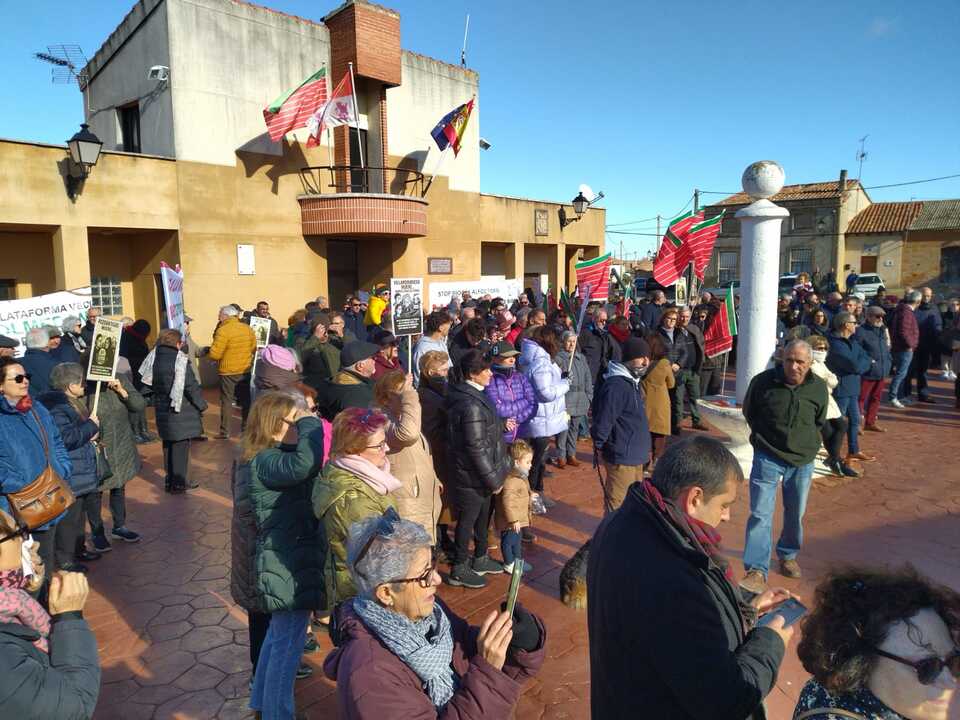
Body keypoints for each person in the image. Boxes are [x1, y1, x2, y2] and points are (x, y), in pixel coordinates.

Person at [588, 436, 793, 720]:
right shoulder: (673, 575)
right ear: (694, 498)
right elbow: (725, 701)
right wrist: (770, 642)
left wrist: (746, 607)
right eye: (724, 504)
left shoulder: (627, 520)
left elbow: (675, 635)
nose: (727, 516)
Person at [324, 510, 546, 718]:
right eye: (423, 576)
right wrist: (488, 674)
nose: (437, 580)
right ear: (386, 593)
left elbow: (463, 646)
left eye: (433, 567)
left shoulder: (427, 613)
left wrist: (520, 642)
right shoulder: (371, 677)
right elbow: (481, 667)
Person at [230, 390, 325, 720]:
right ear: (276, 424)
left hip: (282, 557)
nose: (298, 425)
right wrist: (311, 422)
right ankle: (278, 713)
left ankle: (261, 702)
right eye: (293, 420)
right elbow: (306, 463)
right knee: (288, 646)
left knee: (276, 637)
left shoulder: (260, 455)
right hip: (284, 563)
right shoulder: (267, 460)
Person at [793, 566, 959, 720]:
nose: (950, 682)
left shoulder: (826, 690)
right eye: (928, 668)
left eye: (954, 661)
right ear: (859, 666)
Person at [740, 339, 828, 594]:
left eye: (800, 361)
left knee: (795, 513)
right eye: (789, 359)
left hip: (802, 461)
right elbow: (750, 412)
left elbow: (819, 419)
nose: (793, 366)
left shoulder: (818, 388)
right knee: (760, 513)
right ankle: (756, 570)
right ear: (782, 358)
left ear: (810, 363)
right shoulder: (763, 382)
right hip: (768, 456)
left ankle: (788, 555)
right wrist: (764, 439)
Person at [0, 509, 101, 717]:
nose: (28, 542)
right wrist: (69, 618)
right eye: (18, 532)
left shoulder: (12, 601)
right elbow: (75, 708)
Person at [313, 407, 400, 613]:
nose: (386, 449)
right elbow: (377, 556)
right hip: (363, 594)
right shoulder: (354, 500)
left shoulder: (365, 475)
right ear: (354, 449)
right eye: (379, 445)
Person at [444, 350, 511, 589]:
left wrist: (500, 425)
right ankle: (459, 567)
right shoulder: (469, 402)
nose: (491, 374)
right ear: (473, 374)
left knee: (484, 516)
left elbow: (482, 431)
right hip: (473, 476)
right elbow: (475, 447)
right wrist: (493, 479)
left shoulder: (474, 395)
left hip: (482, 473)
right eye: (486, 370)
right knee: (468, 520)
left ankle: (480, 557)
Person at [0, 357, 72, 579]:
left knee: (46, 564)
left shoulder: (36, 408)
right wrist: (20, 484)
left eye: (26, 377)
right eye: (18, 378)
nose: (25, 382)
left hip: (50, 497)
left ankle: (45, 610)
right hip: (17, 506)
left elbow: (57, 441)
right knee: (25, 569)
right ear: (1, 385)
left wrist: (62, 468)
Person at [39, 363, 103, 572]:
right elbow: (67, 438)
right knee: (69, 519)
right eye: (81, 382)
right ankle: (65, 559)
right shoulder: (57, 407)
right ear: (70, 385)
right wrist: (91, 426)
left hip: (81, 468)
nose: (85, 386)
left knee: (79, 515)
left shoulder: (68, 402)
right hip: (71, 470)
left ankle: (78, 548)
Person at [373, 371, 442, 546]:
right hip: (408, 501)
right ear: (387, 397)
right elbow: (408, 435)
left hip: (420, 498)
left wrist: (434, 478)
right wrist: (410, 396)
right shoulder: (380, 419)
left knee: (422, 555)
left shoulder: (398, 418)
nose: (407, 397)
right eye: (401, 393)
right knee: (411, 556)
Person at [143, 329, 208, 493]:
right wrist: (201, 405)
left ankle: (169, 480)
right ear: (177, 343)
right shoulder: (180, 360)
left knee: (168, 445)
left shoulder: (153, 357)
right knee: (180, 447)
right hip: (180, 410)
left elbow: (145, 382)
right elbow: (190, 386)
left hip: (162, 407)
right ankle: (179, 483)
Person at [591, 337, 652, 512]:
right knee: (617, 505)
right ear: (629, 358)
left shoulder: (633, 382)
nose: (646, 362)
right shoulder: (617, 385)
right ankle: (611, 538)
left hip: (635, 456)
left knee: (634, 503)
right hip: (622, 457)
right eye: (641, 357)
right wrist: (600, 443)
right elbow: (604, 419)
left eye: (647, 357)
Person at [84, 376, 144, 551]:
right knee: (96, 491)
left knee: (119, 485)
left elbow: (138, 405)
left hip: (121, 444)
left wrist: (122, 391)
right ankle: (97, 533)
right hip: (99, 446)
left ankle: (120, 526)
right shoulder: (84, 385)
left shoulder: (120, 379)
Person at [517, 327, 569, 511]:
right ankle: (532, 496)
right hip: (539, 419)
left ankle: (536, 492)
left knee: (537, 460)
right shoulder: (540, 363)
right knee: (534, 461)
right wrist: (564, 384)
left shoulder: (535, 359)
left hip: (540, 418)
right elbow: (545, 393)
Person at [416, 351, 456, 557]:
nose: (447, 372)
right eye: (443, 370)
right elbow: (431, 428)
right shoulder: (428, 396)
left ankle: (442, 536)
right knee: (438, 498)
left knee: (445, 499)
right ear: (431, 372)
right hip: (437, 452)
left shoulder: (440, 390)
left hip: (442, 452)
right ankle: (437, 542)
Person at [826, 312, 873, 464]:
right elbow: (853, 365)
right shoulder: (835, 344)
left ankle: (853, 450)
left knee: (855, 421)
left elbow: (865, 357)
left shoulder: (852, 341)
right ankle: (833, 454)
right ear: (846, 325)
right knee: (837, 423)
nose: (856, 325)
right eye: (854, 322)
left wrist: (862, 363)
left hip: (853, 387)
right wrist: (864, 363)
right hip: (841, 389)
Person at [808, 335, 858, 479]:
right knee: (829, 431)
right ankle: (836, 461)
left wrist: (829, 379)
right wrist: (829, 379)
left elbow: (832, 381)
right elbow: (824, 381)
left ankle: (834, 459)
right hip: (817, 402)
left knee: (841, 425)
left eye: (824, 348)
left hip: (828, 401)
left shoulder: (822, 363)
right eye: (819, 348)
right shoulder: (811, 364)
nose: (822, 350)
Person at [207, 305, 257, 439]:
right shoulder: (247, 329)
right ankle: (246, 429)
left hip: (228, 371)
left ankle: (225, 432)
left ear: (226, 316)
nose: (218, 317)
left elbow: (215, 354)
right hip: (245, 369)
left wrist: (209, 352)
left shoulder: (223, 330)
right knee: (246, 401)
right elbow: (253, 347)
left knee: (227, 401)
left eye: (219, 315)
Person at [485, 340, 536, 446]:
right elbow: (496, 408)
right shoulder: (489, 379)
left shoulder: (520, 377)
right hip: (501, 438)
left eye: (514, 355)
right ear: (495, 358)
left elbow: (533, 403)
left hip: (521, 435)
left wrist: (516, 420)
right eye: (507, 356)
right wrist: (523, 402)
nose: (512, 359)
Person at [553, 331, 592, 468]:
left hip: (580, 399)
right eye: (569, 341)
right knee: (563, 429)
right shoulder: (559, 359)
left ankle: (572, 454)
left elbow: (588, 377)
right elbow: (555, 378)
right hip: (566, 398)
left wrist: (589, 396)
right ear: (563, 342)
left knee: (574, 429)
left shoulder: (581, 358)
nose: (571, 344)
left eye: (574, 341)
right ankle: (561, 456)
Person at [494, 440, 534, 573]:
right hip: (511, 521)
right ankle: (509, 562)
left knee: (517, 542)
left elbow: (522, 492)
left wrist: (531, 495)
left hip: (518, 519)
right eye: (527, 462)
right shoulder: (511, 480)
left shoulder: (521, 476)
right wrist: (513, 520)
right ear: (517, 462)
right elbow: (508, 502)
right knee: (508, 541)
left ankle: (517, 560)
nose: (530, 465)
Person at [316, 341, 378, 421]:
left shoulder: (329, 382)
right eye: (372, 358)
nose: (375, 360)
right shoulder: (358, 394)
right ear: (360, 366)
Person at [856, 306, 893, 433]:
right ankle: (857, 425)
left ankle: (870, 422)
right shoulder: (861, 331)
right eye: (877, 316)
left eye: (882, 316)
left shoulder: (882, 330)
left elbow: (887, 347)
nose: (880, 319)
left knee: (876, 398)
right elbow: (858, 350)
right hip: (868, 371)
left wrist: (889, 361)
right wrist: (868, 363)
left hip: (882, 370)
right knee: (861, 398)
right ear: (869, 317)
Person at [641, 334, 675, 470]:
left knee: (646, 433)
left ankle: (644, 461)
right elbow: (671, 383)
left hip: (645, 402)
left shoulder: (643, 362)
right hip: (661, 403)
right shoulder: (664, 364)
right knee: (659, 435)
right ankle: (656, 460)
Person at [888, 291, 921, 408]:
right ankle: (893, 397)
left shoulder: (901, 310)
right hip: (904, 349)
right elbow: (904, 331)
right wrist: (911, 345)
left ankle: (899, 396)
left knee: (902, 374)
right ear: (918, 302)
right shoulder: (906, 313)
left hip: (900, 347)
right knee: (901, 374)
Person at [677, 306, 707, 431]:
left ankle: (697, 420)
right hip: (679, 370)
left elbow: (701, 345)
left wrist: (701, 362)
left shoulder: (694, 329)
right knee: (678, 398)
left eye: (687, 316)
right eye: (682, 316)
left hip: (693, 370)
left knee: (695, 397)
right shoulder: (674, 330)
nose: (684, 319)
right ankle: (677, 423)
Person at [912, 287, 943, 404]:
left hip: (927, 344)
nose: (926, 298)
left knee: (923, 371)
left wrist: (937, 331)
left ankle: (923, 394)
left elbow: (939, 323)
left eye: (929, 296)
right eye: (924, 296)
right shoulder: (915, 307)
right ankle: (905, 394)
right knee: (909, 371)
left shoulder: (934, 308)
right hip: (914, 343)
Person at [578, 309, 621, 388]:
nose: (604, 323)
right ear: (594, 319)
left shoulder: (606, 335)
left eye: (605, 321)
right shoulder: (586, 333)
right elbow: (578, 351)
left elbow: (615, 352)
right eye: (601, 320)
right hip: (589, 375)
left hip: (602, 375)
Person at [412, 310, 452, 386]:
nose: (450, 327)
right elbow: (418, 374)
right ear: (440, 327)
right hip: (431, 391)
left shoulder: (441, 343)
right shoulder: (422, 347)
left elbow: (449, 365)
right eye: (448, 324)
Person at [300, 315, 340, 391]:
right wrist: (315, 338)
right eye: (321, 331)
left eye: (326, 330)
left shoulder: (334, 340)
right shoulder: (303, 341)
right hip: (315, 388)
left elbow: (353, 352)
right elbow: (300, 358)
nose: (325, 334)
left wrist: (342, 335)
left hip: (335, 386)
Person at [19, 328, 60, 398]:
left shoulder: (16, 364)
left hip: (30, 406)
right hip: (53, 405)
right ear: (47, 343)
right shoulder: (56, 365)